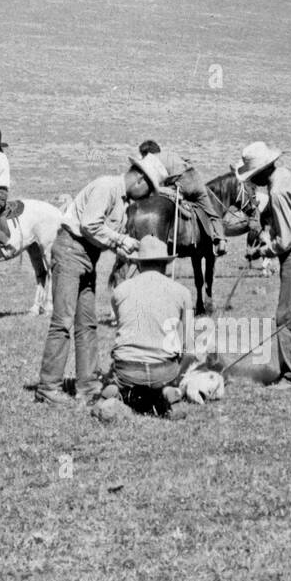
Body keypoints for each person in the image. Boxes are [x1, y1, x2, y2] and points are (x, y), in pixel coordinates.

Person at [35, 153, 167, 404]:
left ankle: (88, 386)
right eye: (148, 192)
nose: (147, 198)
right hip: (70, 251)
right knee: (63, 320)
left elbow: (103, 236)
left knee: (87, 323)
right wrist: (121, 240)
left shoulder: (123, 201)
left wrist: (131, 251)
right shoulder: (107, 187)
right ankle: (48, 388)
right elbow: (90, 225)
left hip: (87, 256)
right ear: (140, 179)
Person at [237, 142, 291, 387]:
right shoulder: (284, 175)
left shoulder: (277, 191)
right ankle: (289, 370)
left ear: (261, 171)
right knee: (290, 314)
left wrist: (263, 250)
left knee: (288, 316)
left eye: (252, 176)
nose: (253, 181)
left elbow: (287, 239)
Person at [99, 235, 192, 417]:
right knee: (179, 368)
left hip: (127, 370)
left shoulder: (120, 291)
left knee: (117, 375)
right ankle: (168, 391)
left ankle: (117, 391)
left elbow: (122, 326)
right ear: (164, 264)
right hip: (164, 370)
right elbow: (188, 347)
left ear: (139, 264)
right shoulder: (183, 292)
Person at [158, 150, 227, 256]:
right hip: (197, 182)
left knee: (164, 195)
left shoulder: (156, 160)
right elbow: (188, 161)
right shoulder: (174, 155)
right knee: (212, 213)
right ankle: (221, 240)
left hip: (182, 183)